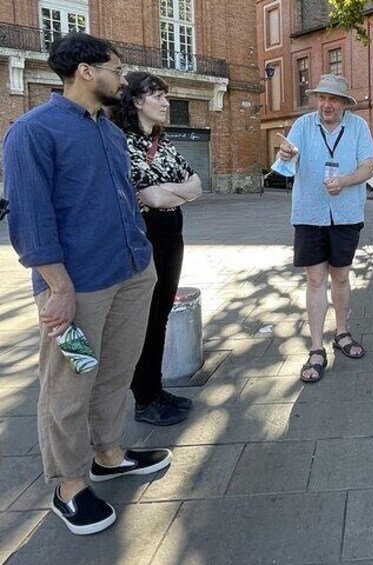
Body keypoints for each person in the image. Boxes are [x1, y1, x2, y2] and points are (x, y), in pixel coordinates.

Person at [3, 33, 173, 535]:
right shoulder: (33, 132)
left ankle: (109, 454)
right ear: (85, 71)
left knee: (116, 373)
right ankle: (69, 485)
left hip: (131, 273)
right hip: (77, 289)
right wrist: (57, 287)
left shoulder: (109, 131)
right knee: (68, 388)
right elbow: (30, 220)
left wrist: (143, 255)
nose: (122, 80)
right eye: (116, 70)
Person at [110, 71, 201, 426]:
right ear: (136, 102)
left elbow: (196, 185)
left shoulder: (162, 142)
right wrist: (174, 191)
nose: (166, 103)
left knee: (161, 314)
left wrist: (172, 191)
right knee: (144, 318)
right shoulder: (122, 142)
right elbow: (150, 196)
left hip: (171, 235)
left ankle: (155, 389)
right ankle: (143, 398)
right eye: (158, 96)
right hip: (143, 236)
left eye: (166, 96)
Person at [274, 74, 373, 383]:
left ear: (344, 103)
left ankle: (342, 333)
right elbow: (285, 162)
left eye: (333, 99)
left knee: (341, 278)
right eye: (322, 98)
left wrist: (344, 181)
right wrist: (285, 155)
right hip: (309, 213)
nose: (326, 104)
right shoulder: (303, 126)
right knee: (315, 280)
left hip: (346, 213)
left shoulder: (359, 127)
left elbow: (368, 167)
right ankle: (316, 349)